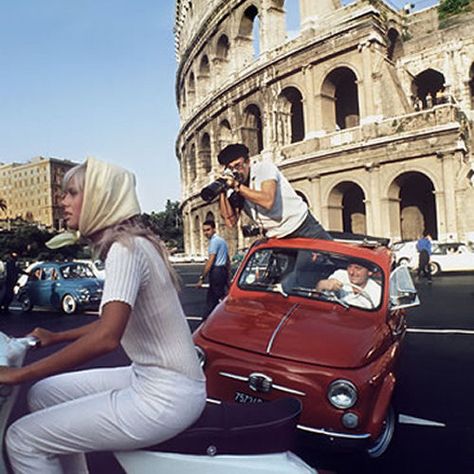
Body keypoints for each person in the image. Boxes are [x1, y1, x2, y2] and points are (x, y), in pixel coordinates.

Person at [0, 157, 206, 473]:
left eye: (71, 193)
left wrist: (20, 375)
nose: (62, 201)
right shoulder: (134, 244)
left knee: (21, 439)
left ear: (98, 198)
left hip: (166, 396)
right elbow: (112, 324)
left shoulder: (125, 250)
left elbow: (107, 338)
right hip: (154, 378)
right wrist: (57, 336)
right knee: (43, 395)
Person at [217, 143, 332, 240]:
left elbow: (268, 201)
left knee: (334, 260)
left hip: (302, 227)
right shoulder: (235, 189)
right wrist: (222, 191)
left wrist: (237, 186)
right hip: (277, 237)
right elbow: (230, 222)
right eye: (231, 168)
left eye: (238, 166)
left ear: (248, 161)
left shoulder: (264, 168)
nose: (236, 171)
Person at [197, 220, 230, 318]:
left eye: (208, 230)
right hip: (223, 270)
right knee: (220, 296)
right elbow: (227, 259)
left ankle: (206, 321)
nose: (206, 233)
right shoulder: (222, 241)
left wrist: (202, 278)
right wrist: (228, 275)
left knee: (212, 300)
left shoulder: (214, 242)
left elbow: (211, 260)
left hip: (216, 271)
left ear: (214, 229)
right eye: (204, 230)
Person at [315, 260, 382, 309]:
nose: (351, 272)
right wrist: (322, 284)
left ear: (370, 272)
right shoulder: (340, 275)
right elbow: (319, 298)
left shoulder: (377, 292)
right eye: (349, 267)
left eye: (357, 268)